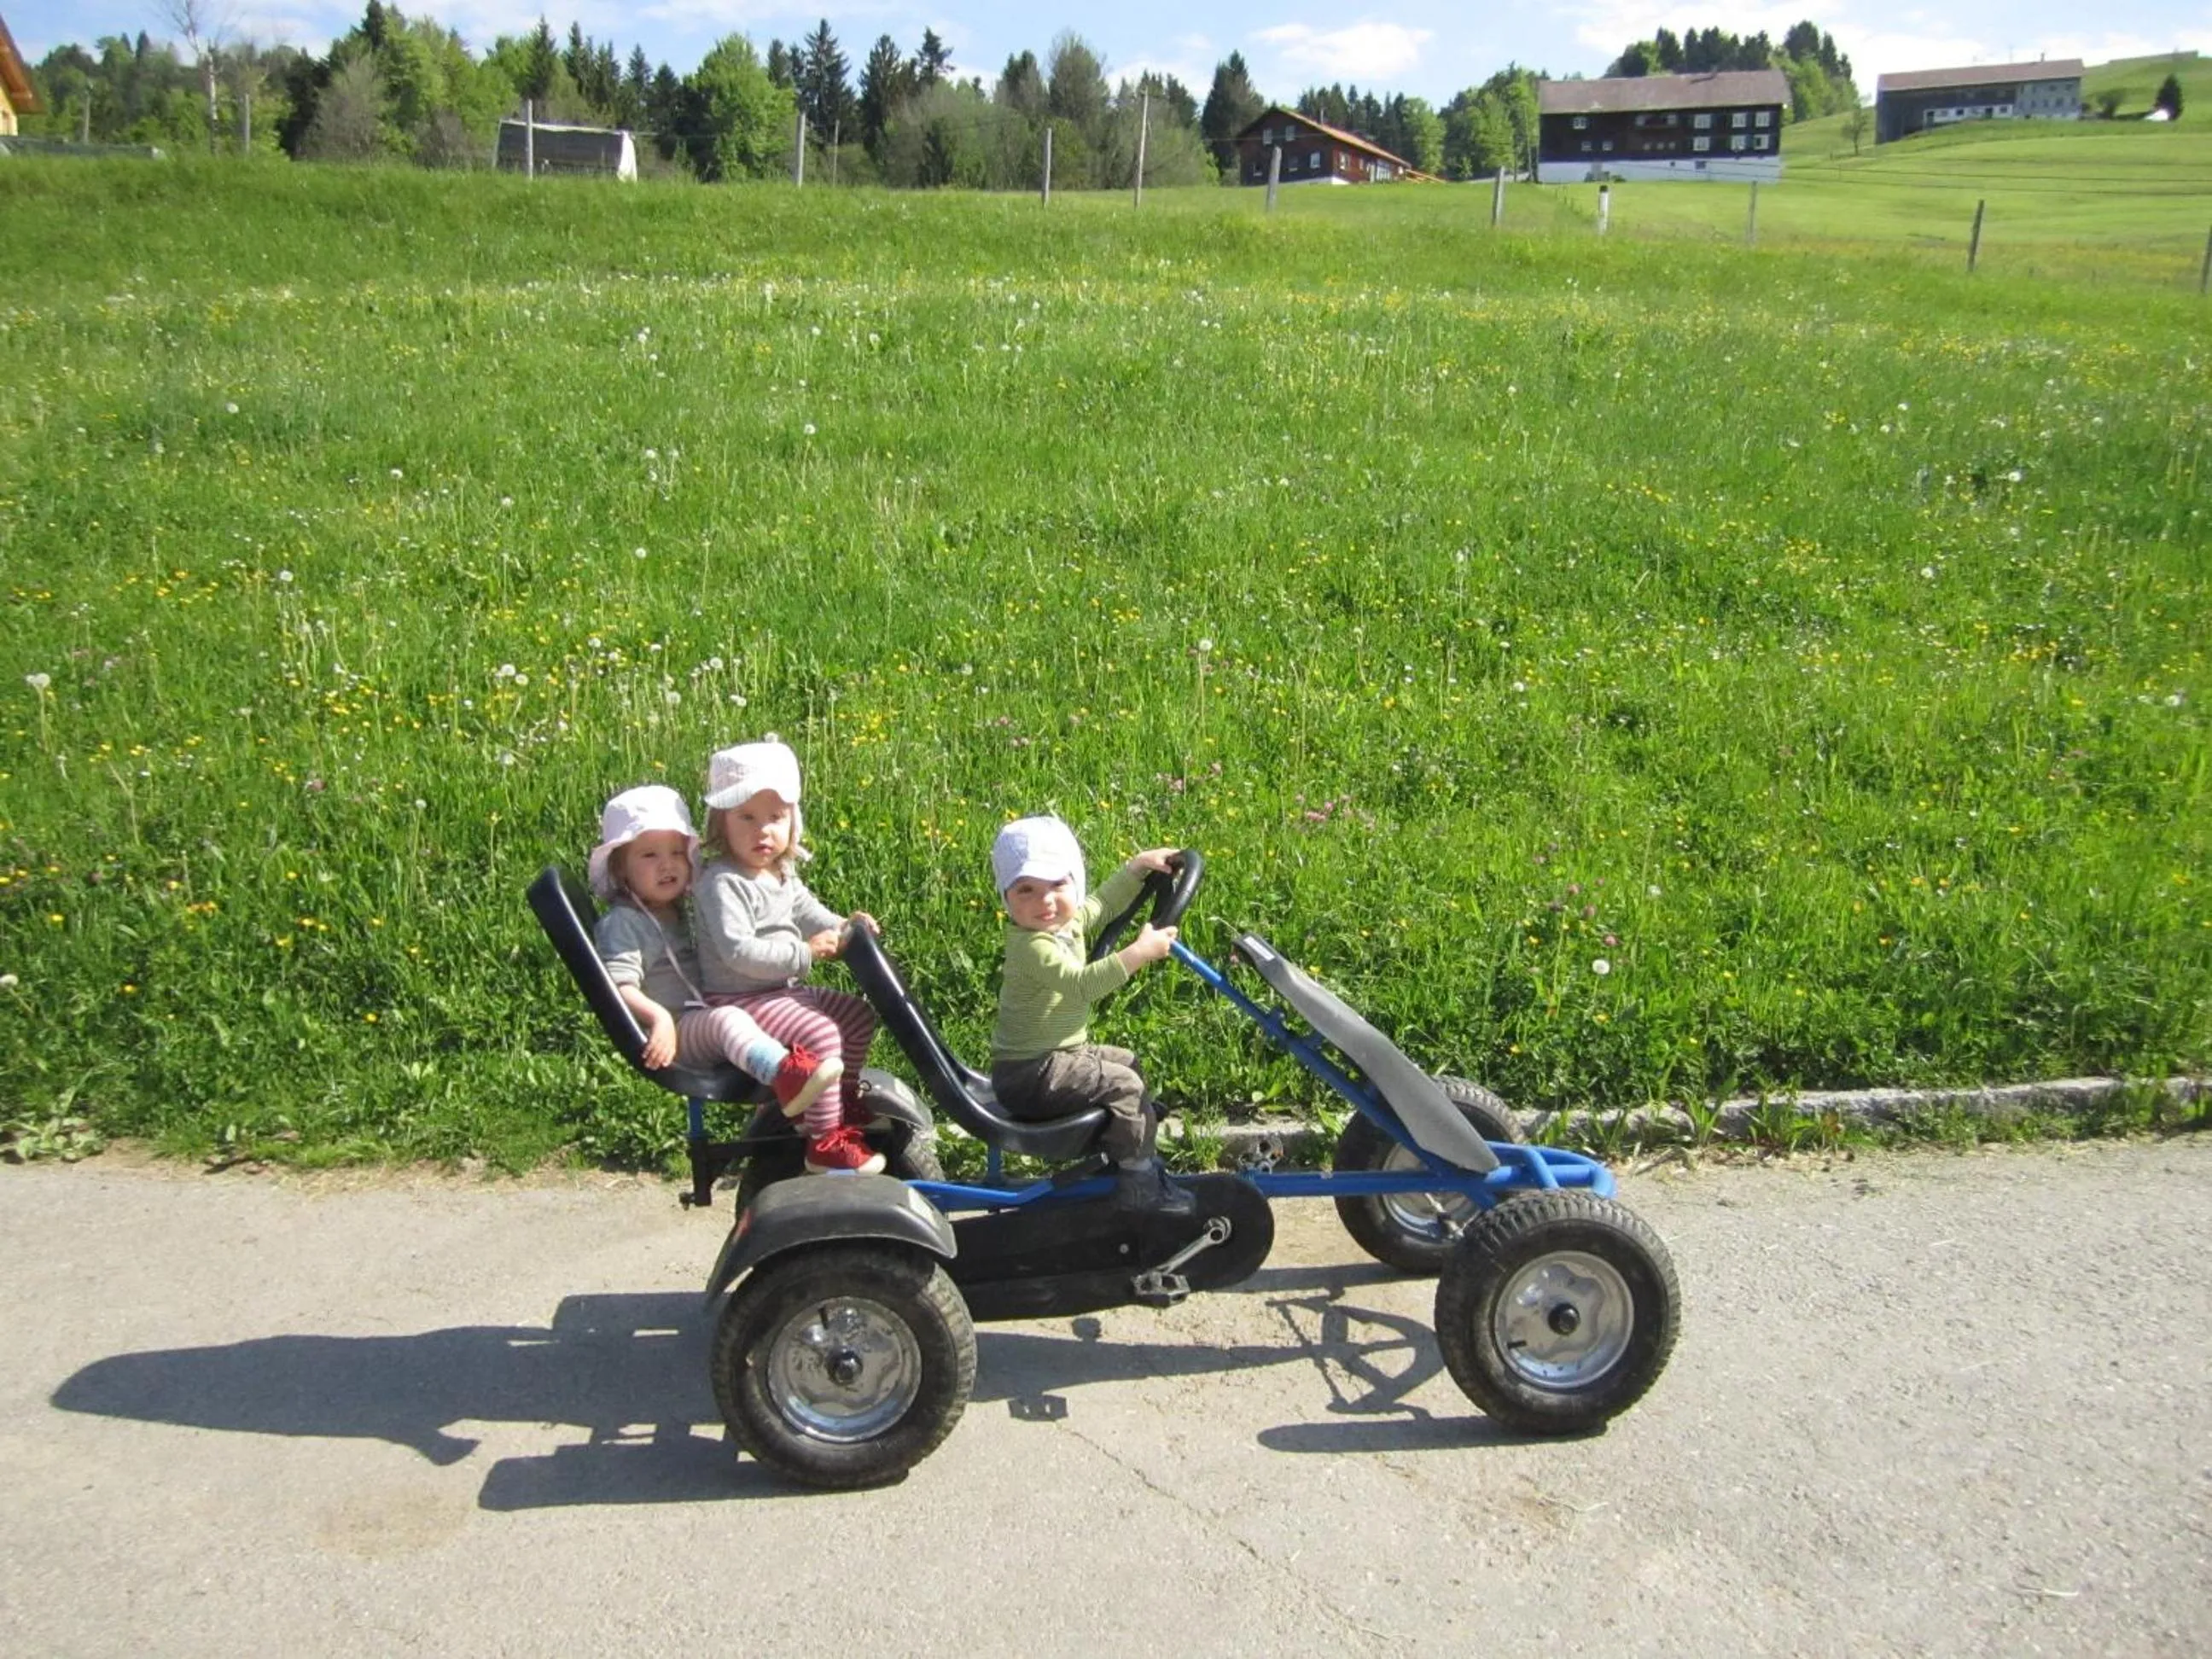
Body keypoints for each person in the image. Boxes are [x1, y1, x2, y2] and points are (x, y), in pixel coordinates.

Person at [587, 784, 840, 1132]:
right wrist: (658, 1018)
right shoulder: (624, 922)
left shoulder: (674, 910)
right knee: (728, 1020)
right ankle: (787, 1077)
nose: (667, 866)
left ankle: (811, 1104)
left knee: (752, 1015)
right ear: (620, 869)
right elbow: (617, 985)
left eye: (677, 853)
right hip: (675, 1032)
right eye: (649, 856)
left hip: (698, 1017)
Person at [691, 740, 884, 1175]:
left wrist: (844, 926)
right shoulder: (722, 882)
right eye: (747, 818)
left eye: (775, 818)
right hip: (741, 999)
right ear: (721, 823)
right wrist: (805, 952)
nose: (763, 831)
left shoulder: (780, 871)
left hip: (781, 992)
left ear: (792, 821)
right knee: (821, 1034)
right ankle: (824, 1142)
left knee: (857, 1016)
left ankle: (836, 1104)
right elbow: (738, 952)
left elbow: (807, 911)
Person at [988, 815, 1194, 1215]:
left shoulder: (1065, 925)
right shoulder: (1033, 946)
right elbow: (1082, 985)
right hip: (1029, 1074)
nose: (1044, 902)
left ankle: (1126, 1141)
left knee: (1128, 1062)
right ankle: (1139, 1182)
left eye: (1057, 886)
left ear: (1074, 885)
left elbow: (1101, 904)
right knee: (1123, 1086)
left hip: (1057, 1058)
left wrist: (1136, 868)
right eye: (1026, 890)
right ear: (1006, 898)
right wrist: (1139, 952)